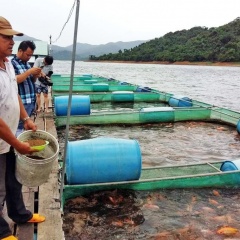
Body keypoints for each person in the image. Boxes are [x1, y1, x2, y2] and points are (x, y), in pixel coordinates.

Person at [0, 16, 45, 240]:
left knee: (14, 179)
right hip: (3, 139)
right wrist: (18, 143)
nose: (11, 41)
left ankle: (20, 214)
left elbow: (13, 93)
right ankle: (1, 231)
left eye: (12, 37)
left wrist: (26, 118)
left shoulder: (7, 64)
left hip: (9, 137)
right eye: (6, 37)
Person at [11, 41, 42, 136]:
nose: (29, 57)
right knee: (17, 127)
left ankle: (21, 141)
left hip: (30, 101)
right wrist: (29, 72)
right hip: (21, 102)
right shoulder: (12, 64)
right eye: (28, 55)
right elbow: (13, 81)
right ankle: (16, 145)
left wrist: (35, 76)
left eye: (31, 55)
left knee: (25, 124)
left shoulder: (27, 64)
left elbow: (30, 81)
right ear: (20, 51)